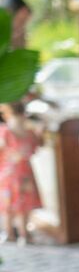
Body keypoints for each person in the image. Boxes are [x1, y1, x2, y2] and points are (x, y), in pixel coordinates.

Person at [0, 99, 41, 244]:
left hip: (8, 173)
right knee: (23, 205)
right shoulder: (29, 132)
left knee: (7, 205)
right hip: (25, 172)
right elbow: (35, 147)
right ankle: (24, 235)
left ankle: (9, 234)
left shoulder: (5, 131)